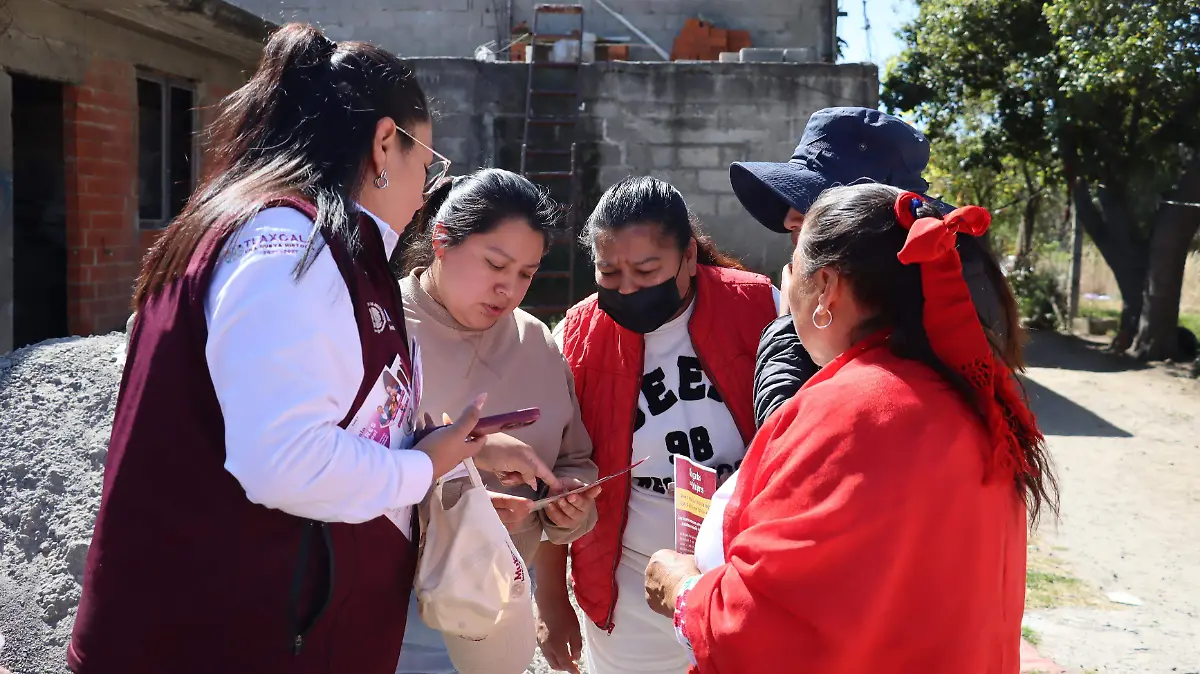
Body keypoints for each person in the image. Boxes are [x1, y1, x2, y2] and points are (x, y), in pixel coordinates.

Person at [69, 24, 547, 674]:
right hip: (233, 637)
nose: (424, 191)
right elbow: (284, 460)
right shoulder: (291, 246)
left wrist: (451, 449)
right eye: (428, 163)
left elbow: (325, 414)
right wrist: (420, 468)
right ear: (385, 143)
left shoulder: (303, 238)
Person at [644, 184, 1058, 673]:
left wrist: (683, 590)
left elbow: (762, 627)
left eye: (793, 266)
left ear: (825, 287)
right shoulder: (967, 399)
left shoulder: (853, 410)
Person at [536, 177, 780, 674]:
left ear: (688, 256)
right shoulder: (578, 336)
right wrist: (552, 600)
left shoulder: (761, 307)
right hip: (630, 581)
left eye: (646, 270)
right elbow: (553, 472)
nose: (627, 288)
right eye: (609, 272)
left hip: (745, 570)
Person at [394, 169, 601, 674]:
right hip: (394, 607)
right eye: (494, 264)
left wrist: (568, 504)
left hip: (503, 600)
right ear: (441, 240)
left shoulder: (535, 341)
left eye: (526, 274)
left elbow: (574, 458)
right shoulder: (382, 326)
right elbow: (338, 467)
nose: (508, 289)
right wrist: (461, 510)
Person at [729, 106, 1017, 427]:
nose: (788, 222)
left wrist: (791, 325)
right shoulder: (932, 283)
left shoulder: (918, 327)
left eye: (811, 215)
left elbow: (789, 441)